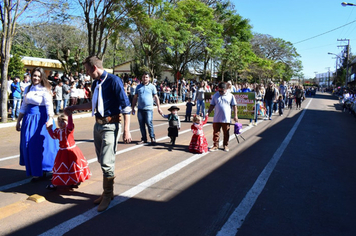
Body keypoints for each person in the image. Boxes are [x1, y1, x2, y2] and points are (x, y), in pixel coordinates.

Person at [64, 55, 132, 212]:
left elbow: (126, 107)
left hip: (111, 125)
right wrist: (74, 108)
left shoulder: (114, 81)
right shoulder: (96, 83)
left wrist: (126, 130)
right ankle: (109, 191)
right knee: (102, 160)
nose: (87, 73)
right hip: (98, 125)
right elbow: (92, 104)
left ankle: (107, 194)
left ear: (95, 68)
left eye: (88, 70)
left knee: (107, 162)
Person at [16, 67, 59, 181]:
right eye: (34, 75)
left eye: (39, 76)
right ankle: (34, 170)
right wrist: (18, 121)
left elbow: (49, 106)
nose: (36, 78)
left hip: (41, 119)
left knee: (40, 145)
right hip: (28, 119)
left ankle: (43, 169)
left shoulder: (45, 90)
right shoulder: (27, 89)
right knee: (28, 144)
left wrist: (50, 119)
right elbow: (23, 106)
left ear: (42, 78)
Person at [46, 112, 91, 190]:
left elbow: (70, 125)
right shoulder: (58, 131)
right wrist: (49, 129)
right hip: (62, 152)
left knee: (73, 167)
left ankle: (74, 181)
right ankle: (55, 184)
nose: (61, 123)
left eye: (63, 121)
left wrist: (70, 115)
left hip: (71, 150)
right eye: (59, 121)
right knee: (60, 167)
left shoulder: (68, 130)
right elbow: (53, 136)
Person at [131, 72, 162, 145]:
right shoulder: (138, 87)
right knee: (141, 124)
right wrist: (133, 107)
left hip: (149, 109)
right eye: (143, 77)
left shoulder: (152, 87)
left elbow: (156, 97)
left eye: (146, 77)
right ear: (141, 78)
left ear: (149, 78)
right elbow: (135, 98)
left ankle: (152, 137)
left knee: (149, 123)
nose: (145, 78)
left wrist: (159, 107)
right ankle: (144, 138)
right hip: (140, 109)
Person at [207, 82, 238, 152]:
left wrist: (235, 115)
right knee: (216, 132)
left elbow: (234, 106)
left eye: (222, 91)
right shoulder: (215, 95)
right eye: (219, 90)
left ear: (226, 89)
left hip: (226, 118)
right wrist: (208, 112)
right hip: (217, 117)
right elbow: (212, 105)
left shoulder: (230, 96)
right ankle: (215, 145)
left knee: (226, 132)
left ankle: (225, 145)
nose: (220, 92)